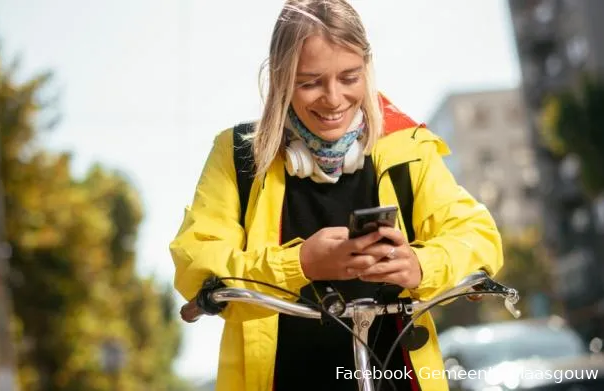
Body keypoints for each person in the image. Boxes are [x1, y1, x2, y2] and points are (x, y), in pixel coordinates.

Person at [169, 1, 504, 390]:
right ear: (280, 79)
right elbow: (195, 260)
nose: (333, 98)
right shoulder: (238, 154)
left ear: (367, 69)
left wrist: (421, 266)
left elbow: (479, 237)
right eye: (310, 82)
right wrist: (302, 264)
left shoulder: (408, 149)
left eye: (349, 77)